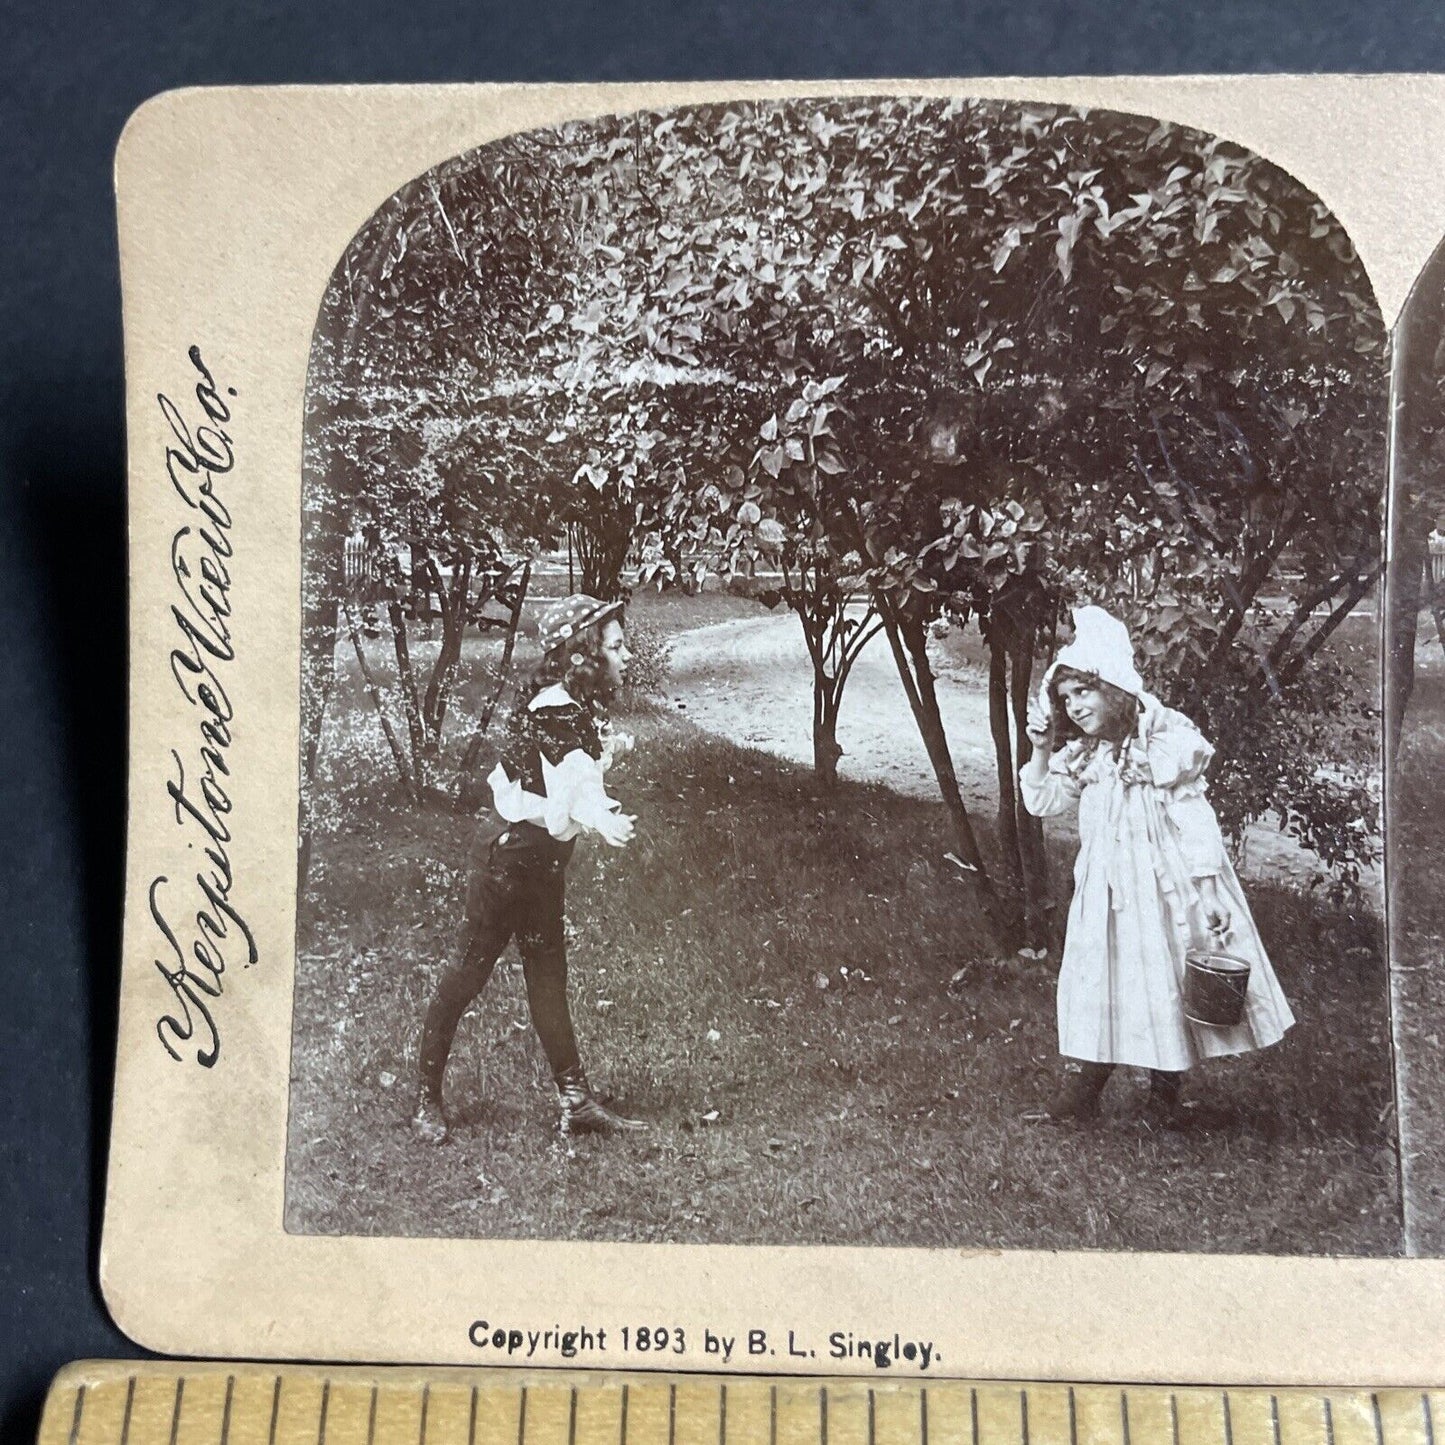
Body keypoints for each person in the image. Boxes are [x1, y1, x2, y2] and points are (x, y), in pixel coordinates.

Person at [1019, 606, 1295, 1126]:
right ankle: (1085, 1092)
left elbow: (1194, 817)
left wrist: (1209, 889)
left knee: (1164, 975)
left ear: (1116, 689)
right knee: (1103, 975)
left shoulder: (1162, 744)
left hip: (1164, 885)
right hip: (1105, 888)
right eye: (1067, 699)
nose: (1076, 707)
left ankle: (1163, 1097)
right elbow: (1043, 801)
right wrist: (1039, 750)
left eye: (1086, 691)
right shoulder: (1087, 754)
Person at [412, 594, 645, 1145]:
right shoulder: (555, 712)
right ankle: (425, 1097)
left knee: (547, 976)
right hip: (507, 864)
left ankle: (576, 1102)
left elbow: (562, 779)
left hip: (537, 860)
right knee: (467, 976)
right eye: (616, 646)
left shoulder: (563, 705)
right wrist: (603, 818)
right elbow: (576, 788)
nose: (627, 655)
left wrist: (594, 803)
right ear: (583, 657)